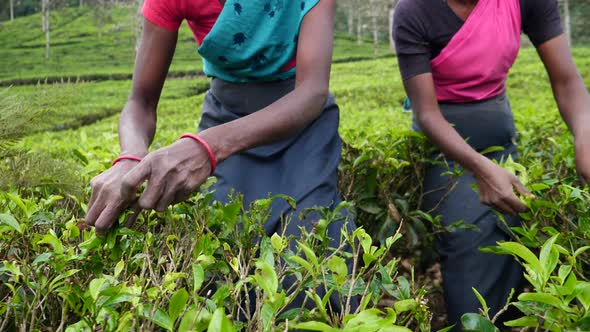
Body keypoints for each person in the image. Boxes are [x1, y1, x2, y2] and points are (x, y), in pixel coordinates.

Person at [85, 0, 355, 311]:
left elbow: (311, 93)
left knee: (309, 273)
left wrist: (209, 146)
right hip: (226, 117)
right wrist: (131, 157)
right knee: (224, 276)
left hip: (301, 125)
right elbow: (140, 103)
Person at [393, 0, 590, 328]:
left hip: (500, 136)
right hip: (446, 147)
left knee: (511, 236)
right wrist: (480, 168)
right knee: (468, 242)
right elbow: (426, 113)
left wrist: (584, 136)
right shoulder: (414, 11)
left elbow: (567, 80)